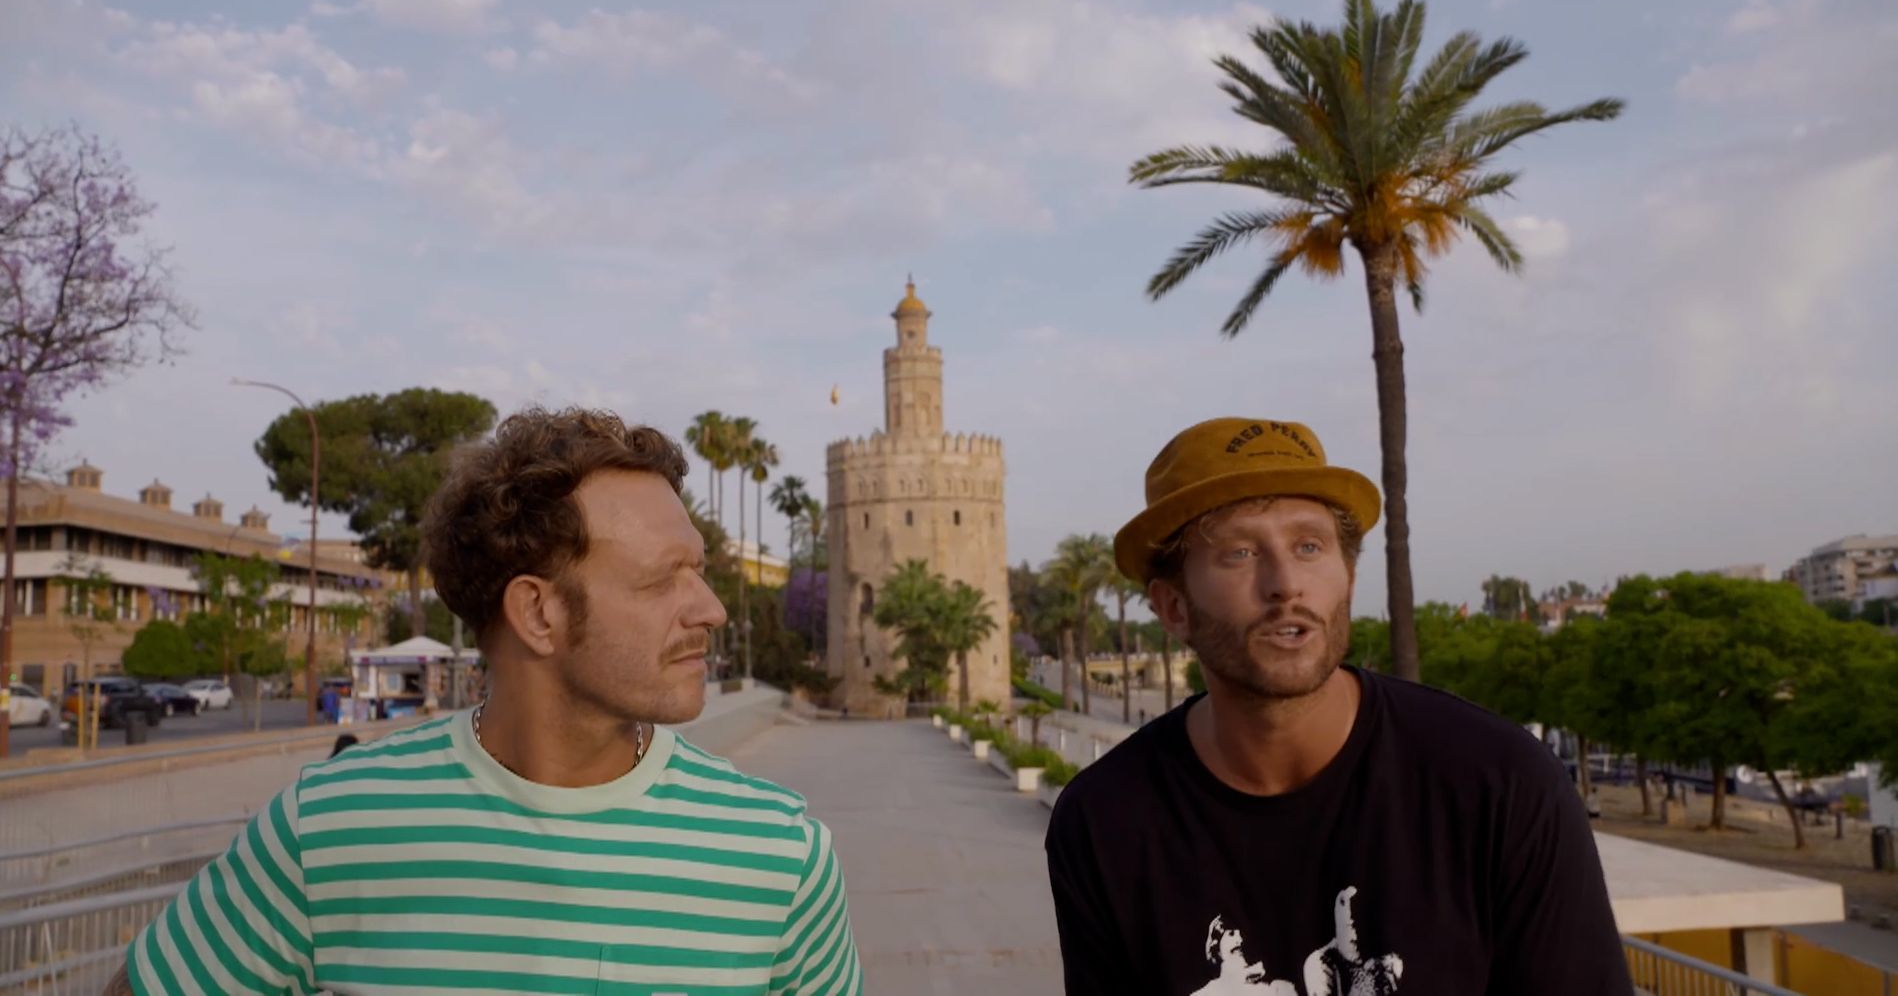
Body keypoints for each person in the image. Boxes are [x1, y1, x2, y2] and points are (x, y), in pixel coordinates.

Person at [109, 408, 861, 995]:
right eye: (666, 579)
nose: (711, 611)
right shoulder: (330, 827)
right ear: (539, 613)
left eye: (699, 573)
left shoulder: (780, 855)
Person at [1044, 417, 1628, 994]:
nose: (1285, 584)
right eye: (1239, 553)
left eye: (1308, 545)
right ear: (1173, 608)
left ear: (1347, 575)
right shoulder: (1104, 823)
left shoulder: (1501, 786)